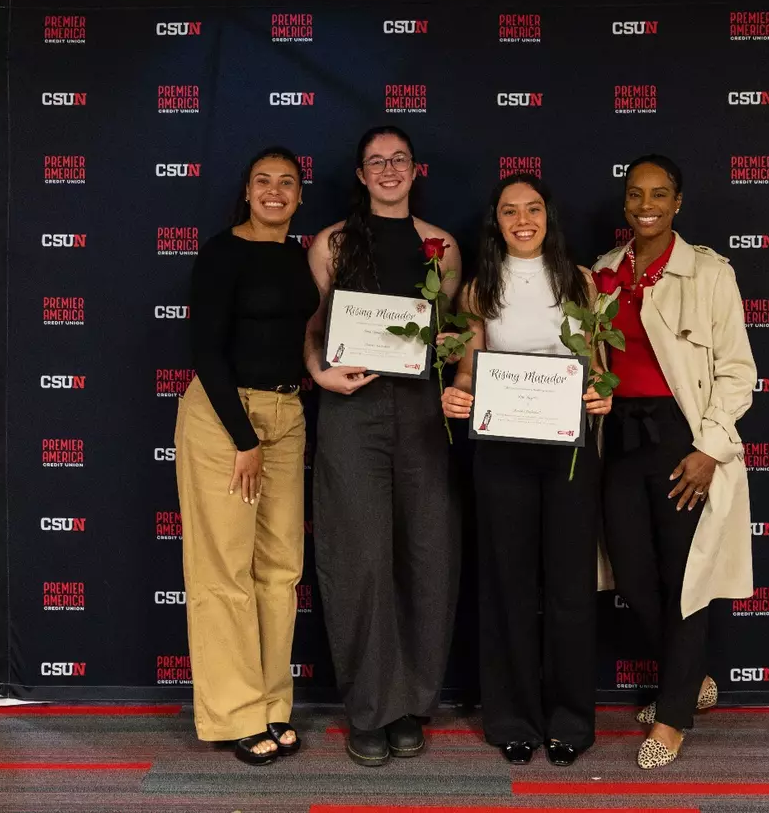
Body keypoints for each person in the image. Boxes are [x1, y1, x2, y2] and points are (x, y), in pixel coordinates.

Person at [303, 124, 463, 767]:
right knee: (360, 559)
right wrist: (317, 373)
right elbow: (314, 327)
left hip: (423, 412)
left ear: (416, 170)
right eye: (377, 161)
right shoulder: (332, 243)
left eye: (399, 159)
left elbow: (453, 331)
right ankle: (370, 708)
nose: (389, 169)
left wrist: (451, 349)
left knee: (428, 555)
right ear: (361, 175)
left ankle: (412, 703)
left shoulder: (441, 245)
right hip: (352, 410)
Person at [591, 154, 756, 769]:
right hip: (621, 439)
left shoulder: (710, 273)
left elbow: (737, 371)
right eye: (636, 194)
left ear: (678, 202)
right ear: (624, 202)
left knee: (687, 579)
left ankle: (673, 714)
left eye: (659, 194)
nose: (646, 205)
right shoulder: (603, 273)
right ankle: (690, 680)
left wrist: (708, 449)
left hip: (681, 438)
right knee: (635, 578)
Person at [440, 174, 612, 767]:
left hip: (569, 448)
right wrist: (458, 394)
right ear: (496, 221)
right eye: (510, 211)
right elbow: (469, 369)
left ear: (548, 216)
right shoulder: (479, 288)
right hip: (502, 447)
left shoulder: (580, 281)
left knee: (569, 587)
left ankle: (570, 721)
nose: (522, 220)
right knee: (507, 584)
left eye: (532, 209)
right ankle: (513, 719)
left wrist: (602, 393)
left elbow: (596, 365)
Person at [175, 146, 320, 766]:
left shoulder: (297, 256)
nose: (274, 191)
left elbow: (302, 335)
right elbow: (205, 351)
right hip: (225, 418)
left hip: (287, 415)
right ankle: (234, 712)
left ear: (300, 196)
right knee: (224, 569)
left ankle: (271, 703)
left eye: (287, 182)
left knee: (281, 569)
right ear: (246, 191)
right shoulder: (221, 253)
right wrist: (243, 439)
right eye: (263, 180)